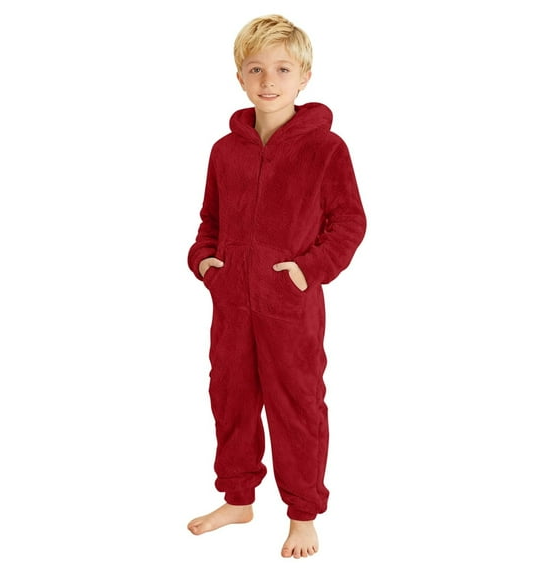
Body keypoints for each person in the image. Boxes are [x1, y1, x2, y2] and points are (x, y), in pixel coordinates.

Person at [186, 14, 366, 559]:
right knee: (230, 397)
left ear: (305, 75)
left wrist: (308, 270)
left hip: (290, 305)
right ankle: (238, 499)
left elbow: (349, 222)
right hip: (231, 304)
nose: (269, 80)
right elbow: (210, 221)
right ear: (240, 76)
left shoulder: (326, 149)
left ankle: (303, 514)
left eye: (283, 69)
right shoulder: (225, 150)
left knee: (297, 405)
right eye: (256, 69)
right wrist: (204, 263)